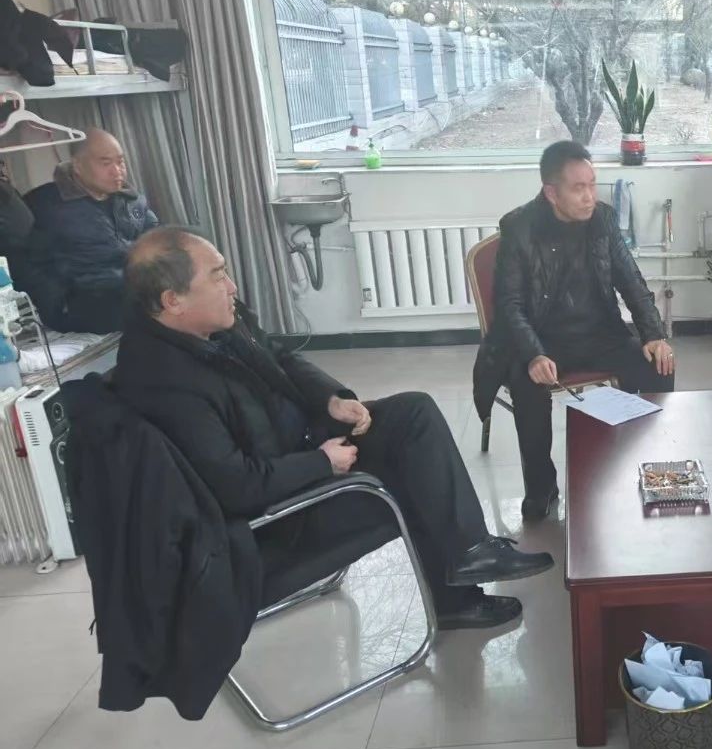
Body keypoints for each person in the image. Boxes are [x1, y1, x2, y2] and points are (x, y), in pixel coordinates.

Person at [115, 228, 555, 630]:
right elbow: (238, 487)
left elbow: (280, 358)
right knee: (415, 474)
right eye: (217, 276)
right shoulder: (165, 383)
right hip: (280, 520)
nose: (231, 287)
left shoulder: (214, 323)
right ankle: (456, 598)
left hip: (300, 448)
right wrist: (321, 463)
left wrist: (331, 398)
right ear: (173, 300)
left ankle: (469, 553)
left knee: (414, 413)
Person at [472, 141, 675, 522]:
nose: (589, 197)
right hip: (544, 339)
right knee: (526, 383)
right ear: (551, 193)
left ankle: (646, 464)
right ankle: (541, 488)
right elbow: (510, 305)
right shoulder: (519, 227)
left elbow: (631, 280)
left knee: (658, 363)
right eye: (578, 188)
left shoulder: (603, 220)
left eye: (592, 184)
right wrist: (534, 353)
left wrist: (654, 334)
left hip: (600, 334)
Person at [18, 129, 158, 332]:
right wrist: (57, 305)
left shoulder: (131, 199)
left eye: (120, 162)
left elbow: (158, 238)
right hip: (81, 300)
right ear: (78, 166)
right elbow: (28, 263)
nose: (117, 171)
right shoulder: (45, 204)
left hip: (131, 287)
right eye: (106, 163)